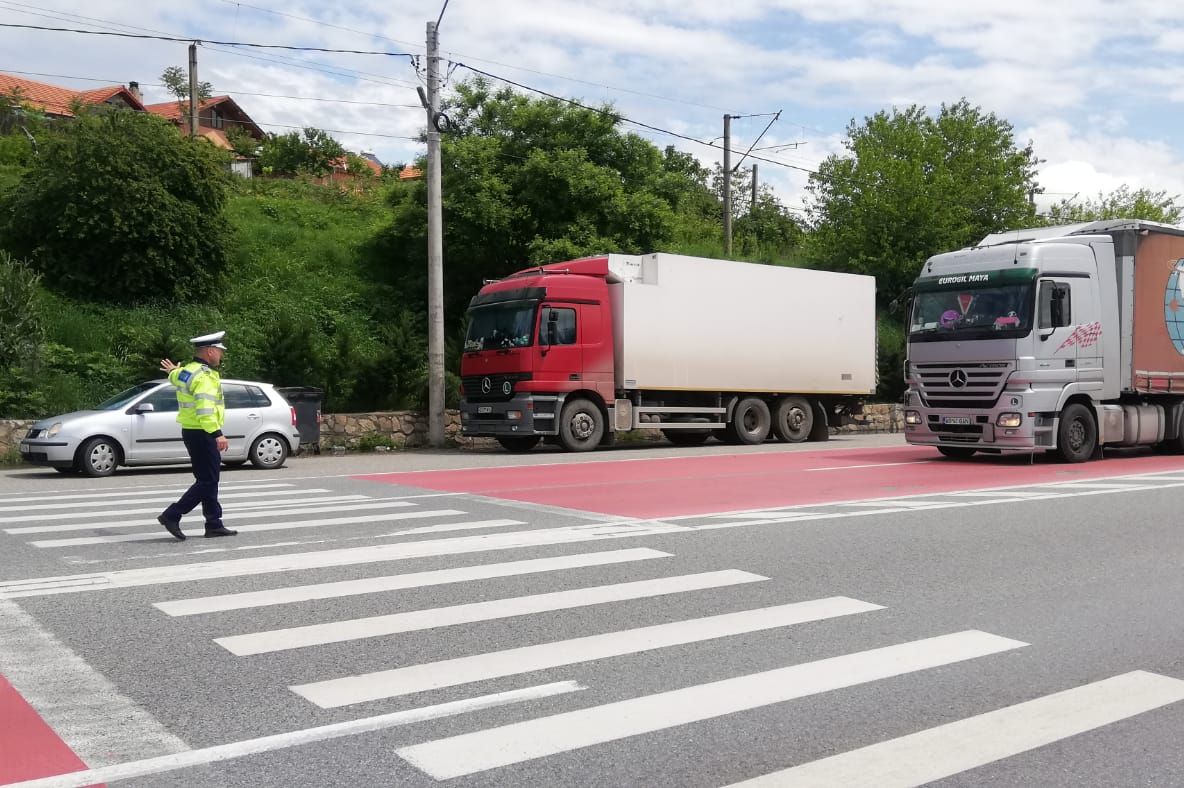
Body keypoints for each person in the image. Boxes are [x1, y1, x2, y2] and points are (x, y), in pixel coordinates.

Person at [156, 332, 238, 541]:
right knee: (208, 480)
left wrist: (173, 370)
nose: (221, 356)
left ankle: (214, 523)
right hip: (203, 432)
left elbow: (176, 377)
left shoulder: (187, 371)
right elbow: (204, 409)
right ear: (210, 351)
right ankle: (172, 514)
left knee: (207, 479)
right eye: (219, 351)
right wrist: (217, 433)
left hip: (191, 431)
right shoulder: (204, 376)